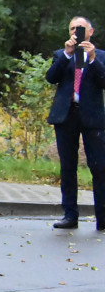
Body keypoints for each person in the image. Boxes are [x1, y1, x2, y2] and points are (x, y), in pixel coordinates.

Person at [46, 16, 105, 230]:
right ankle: (70, 215)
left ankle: (103, 218)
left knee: (99, 167)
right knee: (68, 167)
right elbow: (51, 78)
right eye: (72, 28)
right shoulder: (61, 55)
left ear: (91, 32)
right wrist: (66, 54)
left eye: (80, 29)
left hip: (92, 118)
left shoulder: (101, 57)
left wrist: (91, 59)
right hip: (66, 116)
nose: (75, 32)